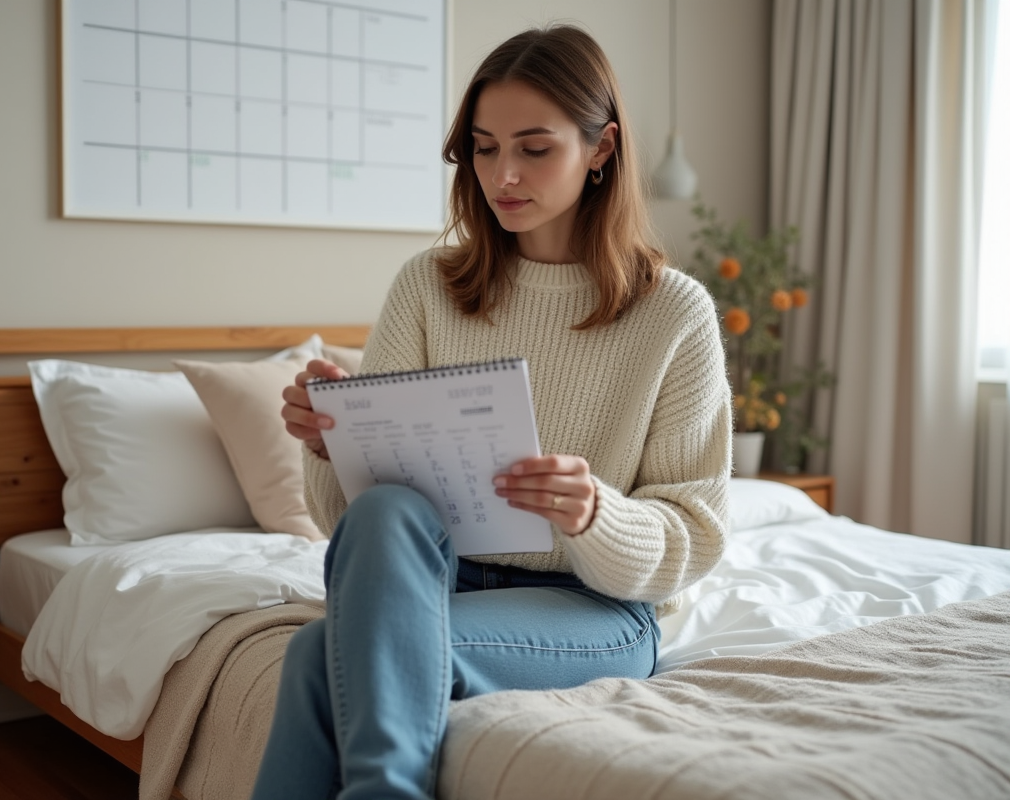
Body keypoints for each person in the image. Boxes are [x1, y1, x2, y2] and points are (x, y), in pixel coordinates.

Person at [255, 23, 731, 800]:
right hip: (431, 581)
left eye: (534, 148)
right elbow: (356, 519)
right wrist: (328, 446)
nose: (502, 174)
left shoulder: (673, 312)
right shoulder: (427, 287)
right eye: (482, 148)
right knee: (385, 513)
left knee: (317, 658)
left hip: (595, 606)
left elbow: (697, 534)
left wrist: (593, 515)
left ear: (601, 148)